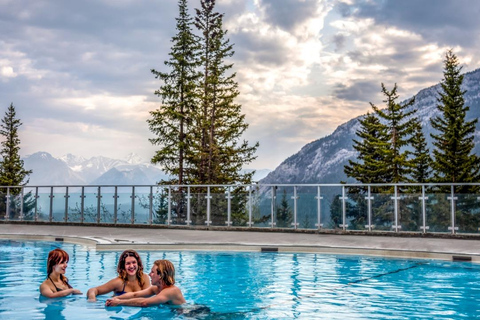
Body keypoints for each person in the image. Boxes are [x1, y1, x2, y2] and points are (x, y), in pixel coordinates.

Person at [105, 259, 185, 307]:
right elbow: (134, 294)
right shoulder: (156, 288)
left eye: (152, 272)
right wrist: (116, 298)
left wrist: (119, 303)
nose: (149, 274)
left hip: (190, 315)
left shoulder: (171, 291)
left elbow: (144, 302)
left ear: (161, 275)